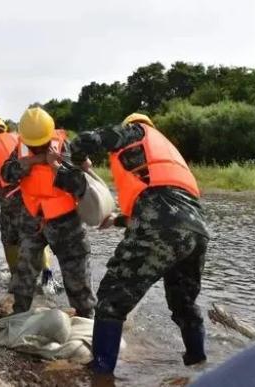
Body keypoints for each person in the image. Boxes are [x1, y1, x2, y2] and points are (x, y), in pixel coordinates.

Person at [71, 113, 209, 374]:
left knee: (111, 300)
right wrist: (117, 220)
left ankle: (100, 373)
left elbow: (83, 141)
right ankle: (198, 365)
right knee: (184, 304)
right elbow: (166, 202)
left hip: (162, 226)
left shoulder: (134, 132)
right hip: (197, 231)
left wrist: (80, 162)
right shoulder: (168, 152)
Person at [0, 107, 96, 318]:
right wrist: (32, 162)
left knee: (77, 277)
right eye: (34, 145)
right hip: (32, 219)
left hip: (67, 222)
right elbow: (6, 174)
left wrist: (56, 167)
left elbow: (80, 185)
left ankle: (86, 321)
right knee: (24, 273)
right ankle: (16, 317)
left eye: (41, 144)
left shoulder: (66, 147)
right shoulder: (20, 148)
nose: (38, 147)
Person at [0, 118, 53, 287]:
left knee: (9, 238)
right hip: (33, 193)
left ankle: (15, 277)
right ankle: (47, 269)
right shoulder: (19, 138)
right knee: (36, 233)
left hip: (10, 198)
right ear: (4, 129)